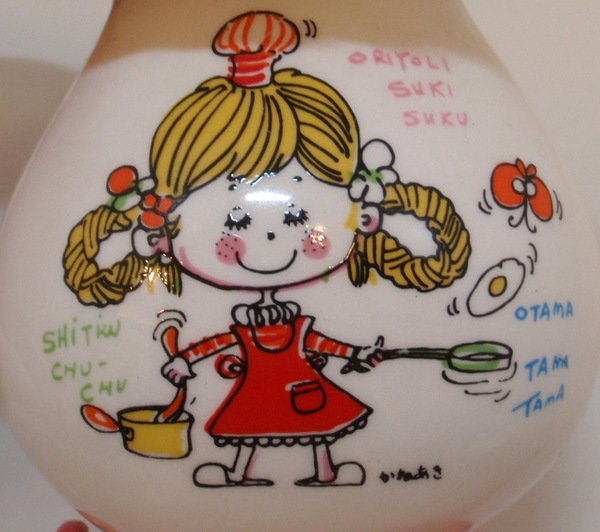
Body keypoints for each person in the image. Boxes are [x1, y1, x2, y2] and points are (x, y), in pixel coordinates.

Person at [64, 11, 470, 487]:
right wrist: (185, 359)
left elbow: (317, 343)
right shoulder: (240, 314)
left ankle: (318, 473)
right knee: (254, 423)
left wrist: (357, 352)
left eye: (298, 217)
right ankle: (248, 474)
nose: (271, 240)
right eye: (236, 221)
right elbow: (222, 344)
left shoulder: (298, 314)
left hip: (301, 388)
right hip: (259, 392)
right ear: (166, 224)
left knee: (306, 423)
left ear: (360, 207)